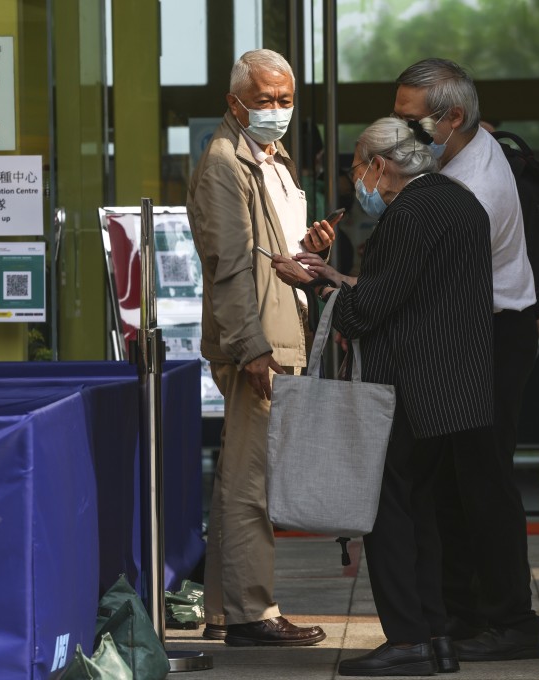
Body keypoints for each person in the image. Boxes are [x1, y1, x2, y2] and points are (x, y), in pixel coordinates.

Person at [273, 115, 493, 676]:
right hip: (453, 388)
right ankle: (437, 634)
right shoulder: (460, 202)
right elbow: (415, 292)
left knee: (389, 511)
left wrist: (316, 286)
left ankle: (407, 639)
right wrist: (339, 276)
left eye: (356, 168)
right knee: (425, 512)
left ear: (380, 164)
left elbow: (372, 309)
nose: (357, 183)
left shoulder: (408, 214)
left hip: (407, 387)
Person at [392, 57, 539, 660]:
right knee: (452, 483)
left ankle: (511, 622)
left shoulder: (473, 187)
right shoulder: (457, 154)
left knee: (483, 483)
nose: (402, 132)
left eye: (411, 120)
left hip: (491, 333)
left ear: (452, 117)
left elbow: (429, 284)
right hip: (470, 328)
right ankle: (462, 613)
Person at [186, 48, 337, 648]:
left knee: (241, 475)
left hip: (279, 329)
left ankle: (229, 610)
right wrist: (250, 347)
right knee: (253, 480)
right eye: (264, 100)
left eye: (284, 100)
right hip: (259, 341)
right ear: (234, 102)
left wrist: (311, 243)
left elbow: (268, 251)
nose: (277, 110)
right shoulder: (225, 163)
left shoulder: (270, 158)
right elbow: (226, 265)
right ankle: (254, 613)